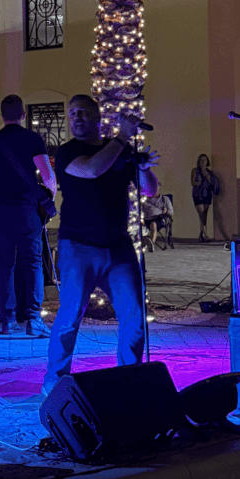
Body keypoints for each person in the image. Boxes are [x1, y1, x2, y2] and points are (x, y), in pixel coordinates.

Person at [42, 95, 159, 397]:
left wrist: (142, 166)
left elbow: (150, 189)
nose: (76, 118)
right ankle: (54, 382)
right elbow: (92, 170)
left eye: (83, 112)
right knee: (69, 316)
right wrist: (122, 138)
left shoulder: (119, 149)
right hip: (78, 246)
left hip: (118, 247)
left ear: (97, 117)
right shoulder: (68, 152)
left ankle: (129, 379)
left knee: (134, 316)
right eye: (72, 114)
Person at [0, 94, 57, 336]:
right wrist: (48, 200)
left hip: (0, 211)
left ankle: (8, 321)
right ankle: (34, 320)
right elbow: (48, 177)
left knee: (5, 265)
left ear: (2, 116)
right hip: (26, 211)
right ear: (23, 115)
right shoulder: (33, 139)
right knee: (33, 263)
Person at [191, 154, 219, 242]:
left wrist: (207, 177)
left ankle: (201, 234)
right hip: (197, 194)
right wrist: (201, 183)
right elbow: (193, 182)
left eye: (205, 160)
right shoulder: (195, 171)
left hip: (207, 194)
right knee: (201, 213)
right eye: (201, 160)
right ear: (199, 162)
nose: (203, 162)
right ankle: (206, 235)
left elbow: (213, 183)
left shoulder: (209, 172)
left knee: (204, 215)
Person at [142, 184, 174, 251]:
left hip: (158, 218)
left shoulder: (165, 199)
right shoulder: (144, 199)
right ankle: (142, 243)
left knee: (153, 224)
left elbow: (171, 212)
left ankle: (151, 244)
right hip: (145, 219)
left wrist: (166, 211)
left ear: (159, 189)